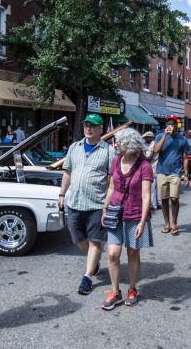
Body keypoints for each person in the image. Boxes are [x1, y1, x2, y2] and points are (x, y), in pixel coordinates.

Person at [58, 114, 116, 295]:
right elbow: (67, 173)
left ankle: (87, 277)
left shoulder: (108, 151)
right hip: (74, 202)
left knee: (95, 241)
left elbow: (112, 180)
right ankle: (95, 261)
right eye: (86, 125)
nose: (88, 128)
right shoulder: (74, 148)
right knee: (77, 239)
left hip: (97, 204)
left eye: (93, 126)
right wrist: (61, 194)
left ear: (101, 129)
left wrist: (109, 202)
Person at [101, 128, 153, 310]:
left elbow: (147, 196)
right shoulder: (116, 161)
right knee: (112, 254)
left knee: (132, 252)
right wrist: (105, 208)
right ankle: (115, 292)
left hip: (135, 214)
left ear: (128, 145)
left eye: (118, 143)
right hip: (115, 213)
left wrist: (142, 222)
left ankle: (132, 288)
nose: (115, 146)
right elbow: (111, 188)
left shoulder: (144, 166)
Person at [153, 115, 189, 236]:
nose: (170, 126)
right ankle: (167, 223)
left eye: (172, 124)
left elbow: (185, 158)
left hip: (175, 172)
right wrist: (164, 135)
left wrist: (186, 175)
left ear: (176, 125)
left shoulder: (182, 139)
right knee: (164, 199)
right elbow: (156, 150)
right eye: (168, 123)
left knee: (174, 198)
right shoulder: (159, 136)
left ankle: (174, 223)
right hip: (161, 172)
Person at [142, 131, 159, 210]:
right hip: (156, 166)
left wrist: (143, 153)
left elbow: (148, 156)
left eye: (146, 138)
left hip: (153, 166)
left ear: (150, 138)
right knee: (155, 187)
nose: (145, 139)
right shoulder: (155, 143)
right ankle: (157, 203)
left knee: (152, 187)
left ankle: (153, 204)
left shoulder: (152, 144)